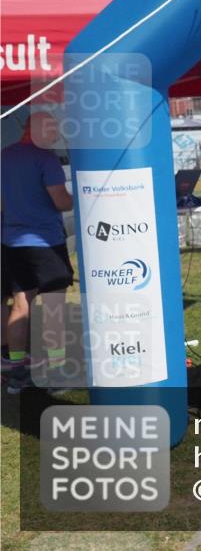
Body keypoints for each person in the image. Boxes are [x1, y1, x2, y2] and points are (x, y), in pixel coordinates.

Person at [1, 112, 75, 394]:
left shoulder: (5, 156)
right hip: (46, 243)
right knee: (54, 309)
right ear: (38, 130)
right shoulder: (46, 158)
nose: (56, 134)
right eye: (52, 128)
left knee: (21, 307)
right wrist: (81, 197)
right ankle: (55, 373)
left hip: (13, 242)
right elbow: (61, 202)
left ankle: (17, 374)